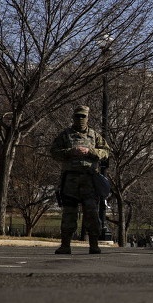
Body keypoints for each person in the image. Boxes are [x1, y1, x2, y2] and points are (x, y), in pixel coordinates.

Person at [50, 105, 111, 255]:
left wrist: (91, 151)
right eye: (77, 116)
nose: (80, 119)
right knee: (69, 214)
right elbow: (54, 152)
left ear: (87, 117)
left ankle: (94, 245)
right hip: (71, 180)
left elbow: (106, 152)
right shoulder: (65, 135)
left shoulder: (94, 135)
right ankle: (65, 245)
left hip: (89, 180)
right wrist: (70, 152)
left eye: (83, 116)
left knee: (92, 213)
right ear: (73, 117)